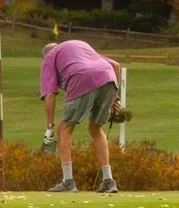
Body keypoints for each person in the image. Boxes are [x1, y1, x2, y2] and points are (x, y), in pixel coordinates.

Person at [40, 37, 124, 193]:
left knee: (65, 128)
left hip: (81, 78)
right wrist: (115, 98)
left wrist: (50, 127)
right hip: (108, 77)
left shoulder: (49, 58)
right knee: (96, 128)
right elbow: (115, 65)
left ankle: (68, 182)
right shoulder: (78, 46)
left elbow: (50, 95)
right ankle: (108, 180)